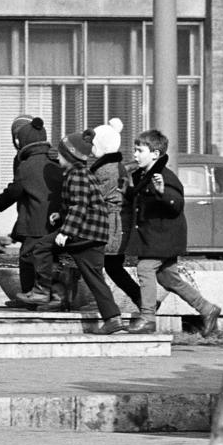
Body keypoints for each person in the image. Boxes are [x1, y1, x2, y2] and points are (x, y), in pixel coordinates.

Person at [122, 128, 222, 336]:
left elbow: (176, 204)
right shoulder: (143, 175)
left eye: (140, 150)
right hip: (155, 237)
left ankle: (148, 318)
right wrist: (128, 191)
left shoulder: (165, 177)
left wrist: (162, 192)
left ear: (155, 154)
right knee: (169, 278)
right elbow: (141, 200)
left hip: (162, 238)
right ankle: (207, 308)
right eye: (135, 150)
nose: (135, 154)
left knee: (145, 268)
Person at [50, 129, 129, 334]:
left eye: (60, 154)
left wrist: (65, 231)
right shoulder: (88, 172)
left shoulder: (82, 174)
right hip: (95, 231)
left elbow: (80, 204)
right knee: (94, 276)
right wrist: (61, 215)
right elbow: (80, 202)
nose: (57, 157)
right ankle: (112, 318)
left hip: (88, 232)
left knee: (41, 247)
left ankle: (46, 294)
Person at [0, 115, 63, 308]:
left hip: (34, 218)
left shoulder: (25, 163)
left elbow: (17, 188)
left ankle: (32, 295)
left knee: (28, 257)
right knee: (48, 257)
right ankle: (54, 296)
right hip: (55, 216)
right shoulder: (55, 159)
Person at [88, 118, 146, 317]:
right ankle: (142, 300)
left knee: (90, 263)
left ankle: (104, 306)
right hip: (116, 224)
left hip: (109, 225)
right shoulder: (115, 166)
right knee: (113, 267)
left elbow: (94, 196)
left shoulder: (106, 169)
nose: (91, 148)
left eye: (94, 145)